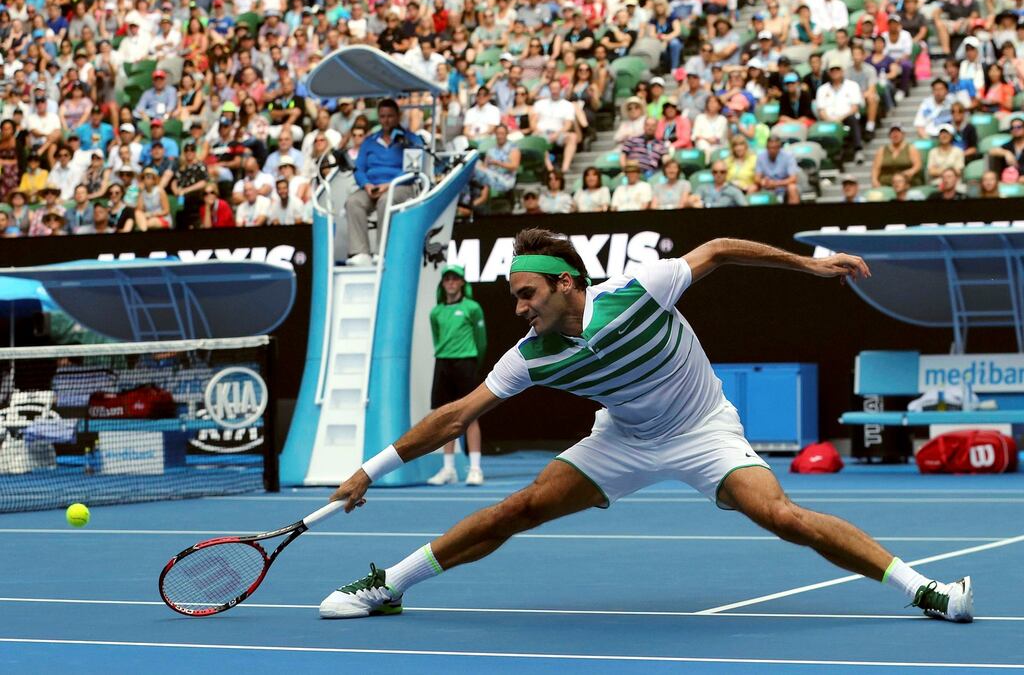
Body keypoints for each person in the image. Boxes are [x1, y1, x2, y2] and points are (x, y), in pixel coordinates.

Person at [320, 228, 974, 626]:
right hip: (624, 439)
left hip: (704, 429)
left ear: (568, 284)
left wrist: (809, 265)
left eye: (526, 294)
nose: (517, 307)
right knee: (517, 507)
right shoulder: (532, 353)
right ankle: (390, 586)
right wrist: (368, 470)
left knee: (785, 516)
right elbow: (455, 417)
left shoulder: (639, 289)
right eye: (514, 297)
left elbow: (717, 250)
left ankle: (927, 589)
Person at [426, 265, 488, 487]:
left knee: (470, 416)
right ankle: (449, 469)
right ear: (443, 284)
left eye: (455, 279)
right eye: (447, 279)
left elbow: (481, 341)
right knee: (445, 417)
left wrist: (472, 362)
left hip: (466, 363)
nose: (451, 283)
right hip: (443, 364)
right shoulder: (436, 312)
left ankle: (475, 469)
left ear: (462, 282)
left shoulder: (473, 308)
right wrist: (445, 355)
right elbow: (437, 338)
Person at [345, 98, 424, 266]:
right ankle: (361, 252)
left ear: (398, 116)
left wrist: (389, 185)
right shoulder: (370, 141)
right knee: (353, 202)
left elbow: (413, 170)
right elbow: (359, 169)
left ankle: (382, 252)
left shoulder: (410, 139)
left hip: (400, 185)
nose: (386, 120)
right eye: (382, 116)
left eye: (390, 116)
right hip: (372, 186)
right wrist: (366, 185)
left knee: (385, 201)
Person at [755, 136, 801, 204]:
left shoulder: (788, 156)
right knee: (753, 188)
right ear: (766, 147)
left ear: (779, 148)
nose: (772, 150)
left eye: (775, 148)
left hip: (784, 186)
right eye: (770, 148)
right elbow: (757, 178)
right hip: (767, 186)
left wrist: (776, 184)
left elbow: (793, 178)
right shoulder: (761, 156)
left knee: (792, 188)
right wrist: (763, 182)